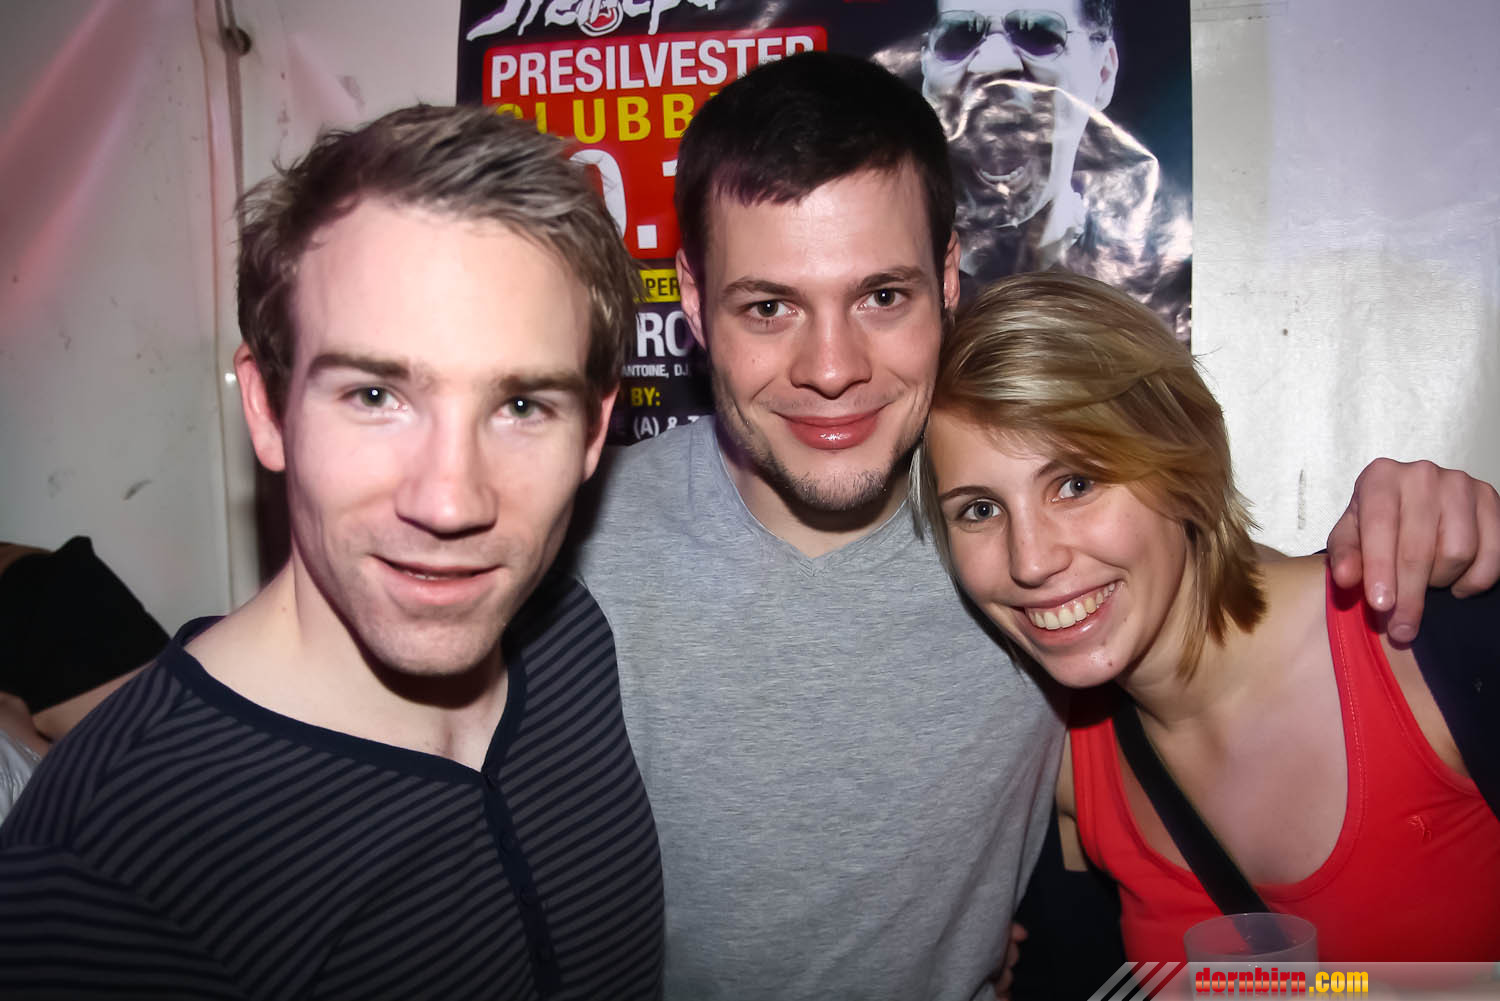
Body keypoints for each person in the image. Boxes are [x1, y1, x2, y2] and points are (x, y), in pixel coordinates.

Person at [563, 51, 1500, 1000]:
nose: (833, 367)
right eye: (769, 307)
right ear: (691, 299)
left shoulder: (1034, 589)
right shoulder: (570, 559)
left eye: (882, 296)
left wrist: (1431, 518)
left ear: (947, 277)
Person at [0, 106, 664, 999]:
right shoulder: (102, 872)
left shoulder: (568, 638)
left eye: (521, 406)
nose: (450, 502)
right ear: (268, 409)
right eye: (375, 395)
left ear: (591, 432)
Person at [915, 271, 1500, 962]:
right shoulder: (1066, 763)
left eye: (1076, 483)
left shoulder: (1424, 640)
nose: (1032, 560)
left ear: (1184, 465)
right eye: (980, 509)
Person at [919, 0, 1191, 338]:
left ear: (1103, 73)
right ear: (925, 67)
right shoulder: (891, 276)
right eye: (960, 36)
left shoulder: (1164, 297)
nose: (993, 63)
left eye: (1038, 34)